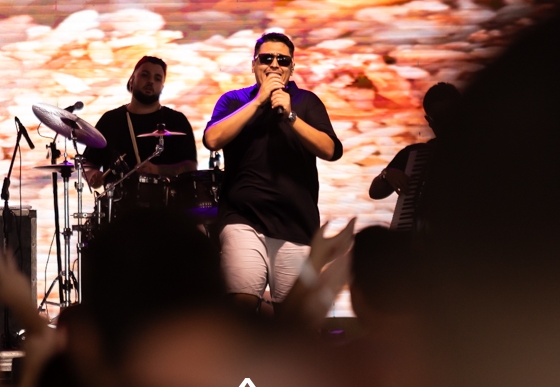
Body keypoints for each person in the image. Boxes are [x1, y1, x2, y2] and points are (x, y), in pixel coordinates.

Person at [203, 32, 343, 312]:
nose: (275, 65)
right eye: (267, 58)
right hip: (242, 219)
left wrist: (290, 116)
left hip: (295, 222)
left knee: (293, 316)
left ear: (292, 67)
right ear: (254, 64)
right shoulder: (233, 100)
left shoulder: (306, 101)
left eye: (283, 60)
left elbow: (330, 150)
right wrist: (258, 101)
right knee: (241, 305)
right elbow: (212, 139)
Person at [82, 56, 197, 192]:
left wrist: (157, 170)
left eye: (157, 78)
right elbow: (87, 162)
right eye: (144, 75)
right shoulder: (110, 120)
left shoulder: (177, 120)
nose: (150, 81)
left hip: (167, 201)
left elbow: (190, 167)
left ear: (162, 87)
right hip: (118, 202)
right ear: (132, 80)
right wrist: (92, 175)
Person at [369, 83, 459, 232]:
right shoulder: (416, 155)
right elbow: (375, 192)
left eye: (451, 114)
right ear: (430, 121)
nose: (447, 123)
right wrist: (386, 175)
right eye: (440, 118)